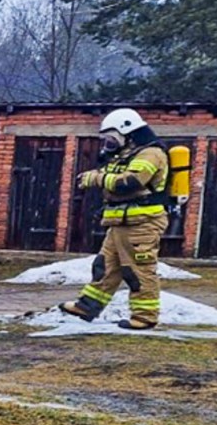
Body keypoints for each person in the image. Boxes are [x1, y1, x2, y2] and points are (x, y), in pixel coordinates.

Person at [59, 108, 170, 330]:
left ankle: (144, 317)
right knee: (105, 267)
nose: (109, 143)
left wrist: (96, 178)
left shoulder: (150, 154)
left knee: (139, 270)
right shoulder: (126, 154)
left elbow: (130, 182)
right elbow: (115, 177)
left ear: (127, 132)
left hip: (142, 223)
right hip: (121, 222)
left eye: (112, 138)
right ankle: (87, 306)